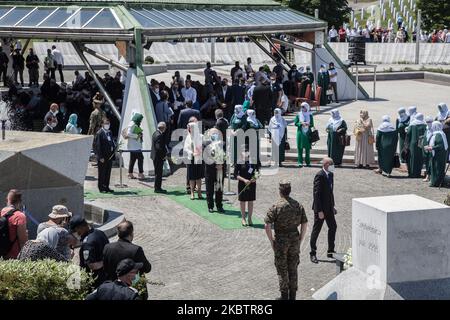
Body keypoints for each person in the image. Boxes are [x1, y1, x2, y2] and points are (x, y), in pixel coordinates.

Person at [264, 180, 308, 300]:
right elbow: (304, 223)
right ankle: (292, 296)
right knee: (293, 268)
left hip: (281, 241)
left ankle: (284, 296)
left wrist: (271, 241)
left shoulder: (276, 206)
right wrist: (300, 239)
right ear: (290, 191)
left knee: (282, 269)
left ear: (280, 191)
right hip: (294, 239)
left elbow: (267, 225)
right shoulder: (298, 205)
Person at [310, 157, 337, 263]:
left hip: (329, 208)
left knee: (333, 227)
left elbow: (330, 192)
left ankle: (330, 251)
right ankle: (313, 253)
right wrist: (319, 211)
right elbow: (316, 195)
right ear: (326, 165)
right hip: (320, 209)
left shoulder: (331, 174)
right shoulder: (319, 175)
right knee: (316, 231)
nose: (333, 166)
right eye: (331, 164)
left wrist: (333, 205)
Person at [70, 217, 109, 288]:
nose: (75, 234)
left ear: (82, 227)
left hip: (94, 280)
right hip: (104, 276)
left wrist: (104, 262)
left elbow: (92, 265)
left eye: (75, 231)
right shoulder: (100, 232)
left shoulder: (88, 243)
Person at [235, 144, 259, 227]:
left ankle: (249, 218)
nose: (245, 152)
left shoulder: (253, 160)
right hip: (242, 184)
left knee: (250, 201)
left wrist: (255, 178)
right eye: (244, 151)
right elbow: (235, 175)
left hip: (252, 184)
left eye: (247, 151)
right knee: (242, 201)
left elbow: (257, 171)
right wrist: (244, 180)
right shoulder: (239, 161)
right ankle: (243, 218)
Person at [0, 190, 28, 259]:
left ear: (7, 200)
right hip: (13, 257)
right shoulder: (19, 216)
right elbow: (23, 241)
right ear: (19, 201)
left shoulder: (0, 213)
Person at [203, 128, 226, 213]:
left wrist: (221, 164)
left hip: (220, 170)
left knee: (219, 188)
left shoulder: (222, 144)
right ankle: (210, 206)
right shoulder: (205, 144)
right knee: (210, 188)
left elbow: (225, 155)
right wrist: (215, 163)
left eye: (216, 133)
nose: (215, 135)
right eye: (213, 133)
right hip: (210, 169)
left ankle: (219, 205)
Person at [94, 118, 116, 193]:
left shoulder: (110, 132)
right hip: (103, 156)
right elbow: (97, 146)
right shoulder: (99, 133)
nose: (107, 125)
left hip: (109, 156)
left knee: (108, 172)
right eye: (106, 123)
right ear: (102, 124)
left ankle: (106, 186)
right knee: (102, 172)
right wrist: (100, 157)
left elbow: (111, 142)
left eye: (108, 123)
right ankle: (101, 187)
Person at [425, 121, 449, 187]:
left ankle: (435, 183)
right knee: (437, 168)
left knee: (437, 168)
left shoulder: (438, 134)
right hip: (438, 154)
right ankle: (435, 182)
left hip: (438, 155)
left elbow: (440, 145)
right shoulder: (440, 133)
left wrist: (431, 148)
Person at [185, 120, 204, 200]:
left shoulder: (201, 136)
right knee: (192, 177)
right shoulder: (188, 137)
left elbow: (204, 146)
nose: (189, 129)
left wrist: (199, 151)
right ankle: (192, 192)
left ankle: (199, 192)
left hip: (198, 158)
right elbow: (185, 148)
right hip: (191, 159)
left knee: (198, 177)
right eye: (189, 128)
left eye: (190, 128)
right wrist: (192, 153)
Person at [406, 113, 427, 178]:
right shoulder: (424, 125)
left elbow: (408, 135)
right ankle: (418, 173)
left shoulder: (412, 125)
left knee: (412, 158)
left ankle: (412, 173)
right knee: (419, 158)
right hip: (421, 144)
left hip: (413, 144)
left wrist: (406, 144)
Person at [294, 102, 314, 167]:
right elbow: (296, 123)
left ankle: (308, 162)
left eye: (304, 107)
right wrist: (301, 124)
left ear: (307, 107)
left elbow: (312, 124)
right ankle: (300, 162)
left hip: (308, 133)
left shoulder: (310, 115)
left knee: (307, 149)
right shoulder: (298, 115)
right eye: (301, 107)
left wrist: (308, 124)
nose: (302, 108)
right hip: (300, 133)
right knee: (300, 148)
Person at [126, 113, 145, 180]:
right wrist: (137, 136)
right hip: (135, 146)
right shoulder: (133, 124)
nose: (141, 121)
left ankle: (130, 173)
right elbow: (128, 133)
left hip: (134, 146)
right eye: (140, 119)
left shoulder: (133, 123)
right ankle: (140, 174)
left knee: (133, 159)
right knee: (141, 158)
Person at [150, 121, 168, 193]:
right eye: (165, 127)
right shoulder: (159, 135)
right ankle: (157, 188)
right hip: (158, 157)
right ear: (163, 128)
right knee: (158, 173)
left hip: (155, 156)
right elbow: (159, 148)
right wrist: (163, 156)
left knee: (158, 172)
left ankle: (157, 187)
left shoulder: (155, 133)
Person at [422, 116, 434, 182]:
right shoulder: (427, 129)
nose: (428, 123)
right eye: (427, 122)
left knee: (430, 163)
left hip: (431, 149)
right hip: (426, 148)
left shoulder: (434, 129)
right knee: (427, 162)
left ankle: (429, 176)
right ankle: (428, 175)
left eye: (429, 122)